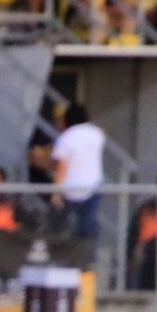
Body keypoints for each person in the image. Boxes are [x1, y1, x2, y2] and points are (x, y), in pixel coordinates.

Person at [52, 103, 106, 240]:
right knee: (88, 228)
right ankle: (88, 259)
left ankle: (62, 256)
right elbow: (102, 133)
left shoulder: (66, 138)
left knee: (59, 227)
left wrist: (56, 192)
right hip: (93, 186)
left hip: (70, 189)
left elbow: (62, 168)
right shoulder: (96, 134)